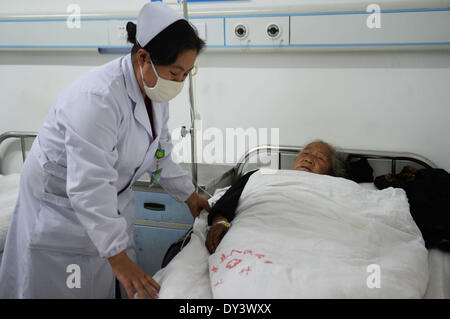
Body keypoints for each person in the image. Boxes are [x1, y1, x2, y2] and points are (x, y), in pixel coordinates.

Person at [0, 2, 211, 299]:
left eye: (187, 74)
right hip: (61, 212)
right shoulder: (97, 99)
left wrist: (189, 195)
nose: (179, 83)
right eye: (175, 73)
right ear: (143, 57)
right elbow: (89, 184)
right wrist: (118, 258)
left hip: (105, 207)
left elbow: (160, 154)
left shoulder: (154, 92)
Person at [205, 140, 346, 254]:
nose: (309, 159)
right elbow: (228, 201)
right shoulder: (260, 175)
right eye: (306, 153)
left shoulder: (337, 187)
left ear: (331, 172)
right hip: (258, 230)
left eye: (320, 157)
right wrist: (220, 222)